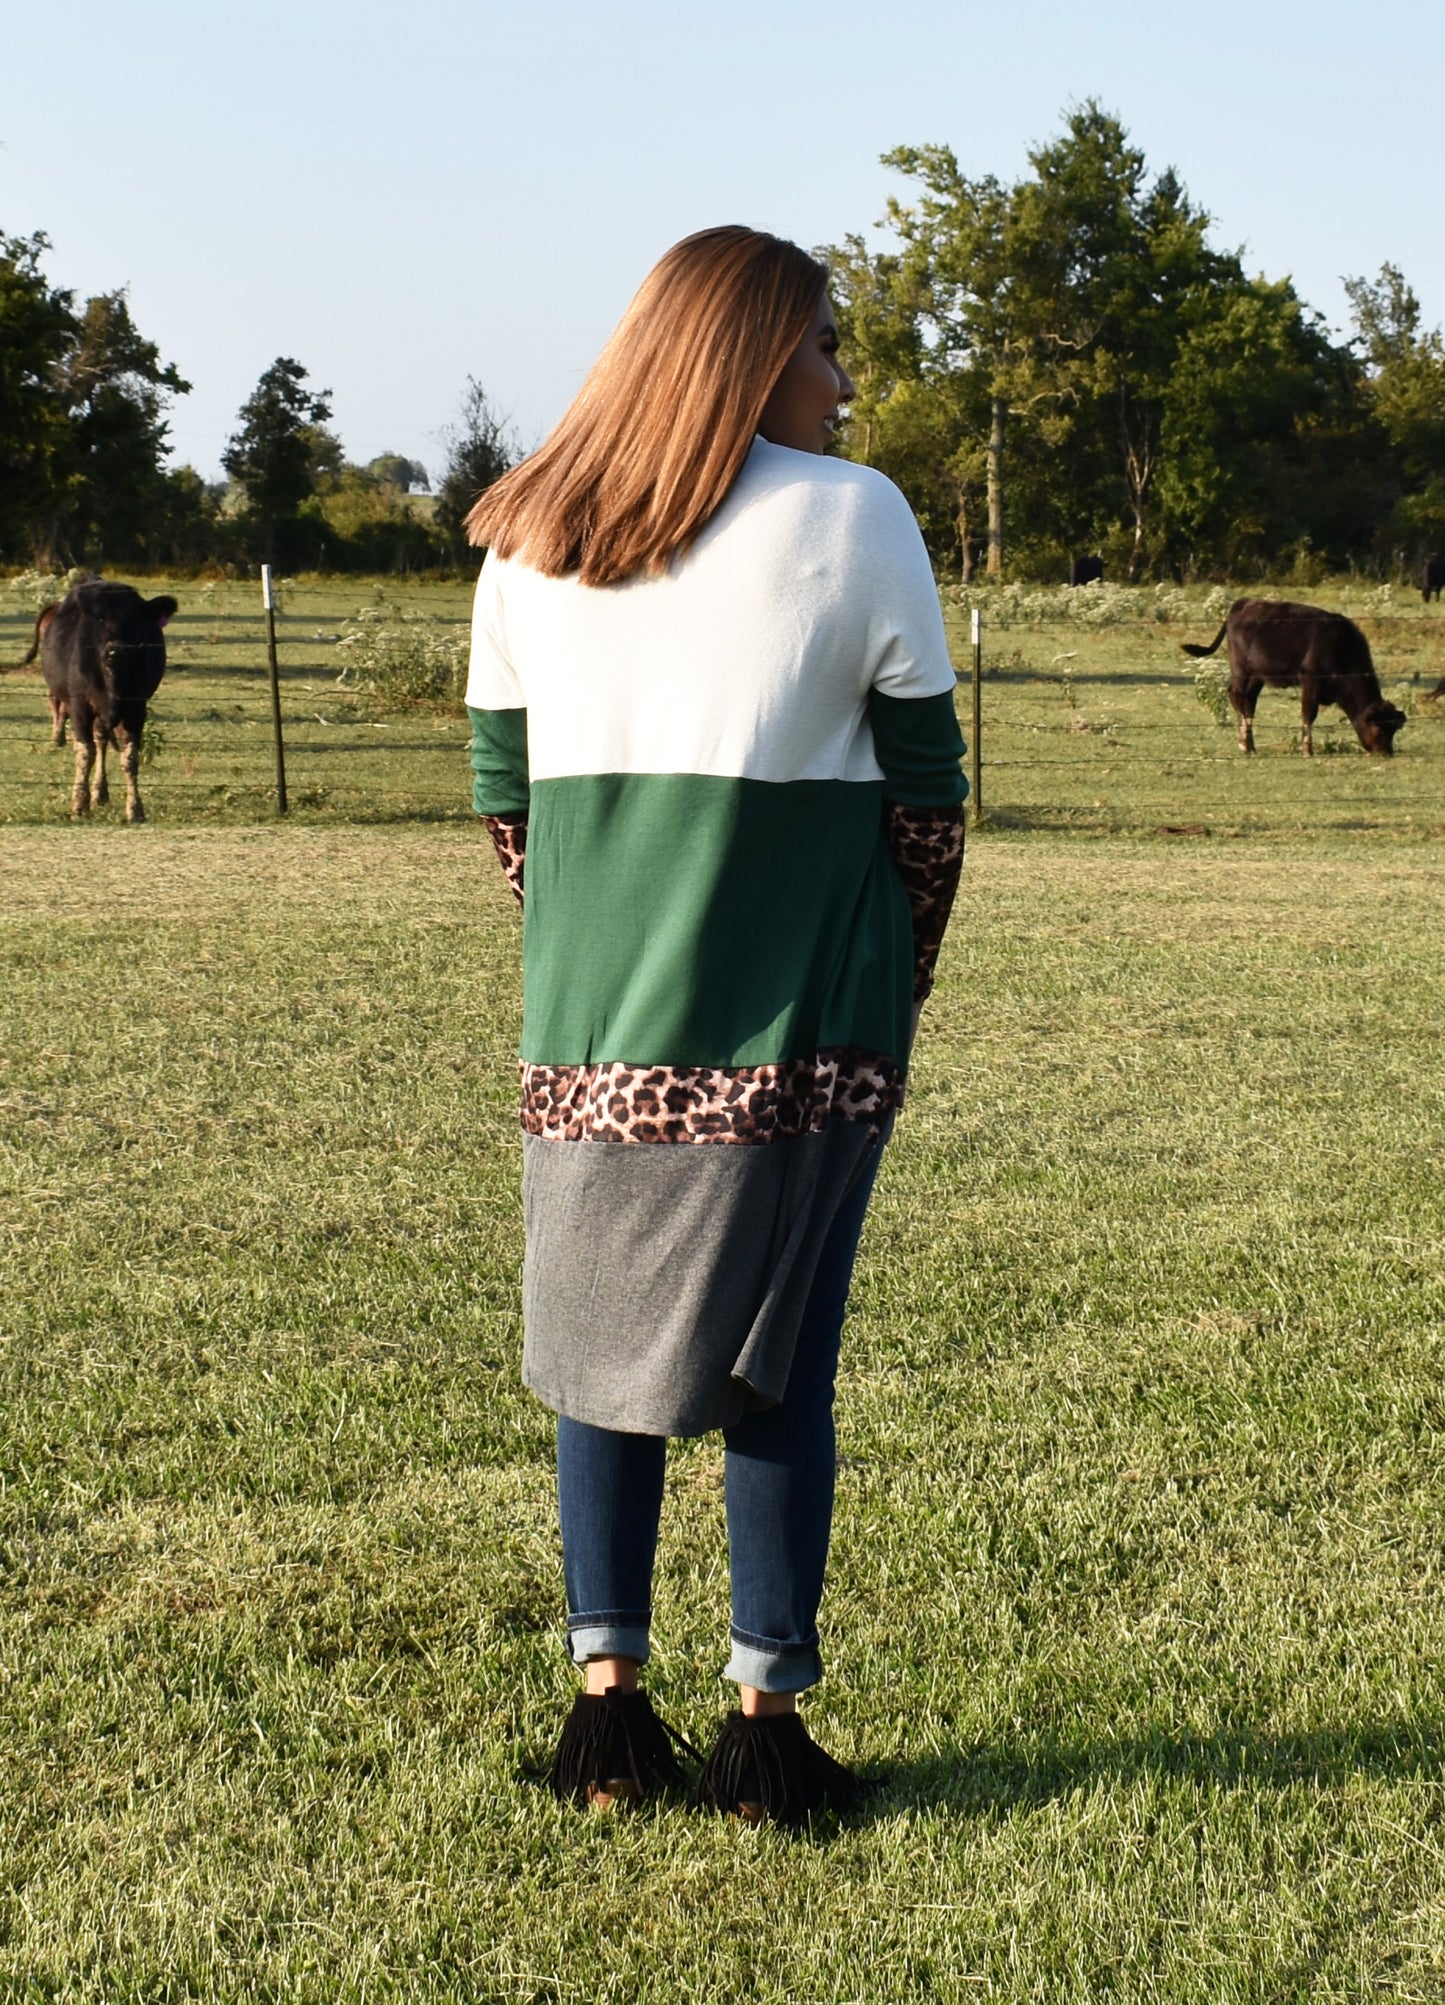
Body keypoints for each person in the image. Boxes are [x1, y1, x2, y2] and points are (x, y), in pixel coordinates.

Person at [464, 226, 967, 1826]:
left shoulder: (523, 534)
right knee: (775, 1363)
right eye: (825, 344)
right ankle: (765, 1725)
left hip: (587, 1029)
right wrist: (900, 980)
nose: (840, 380)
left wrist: (594, 961)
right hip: (802, 1031)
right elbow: (930, 808)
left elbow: (503, 808)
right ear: (754, 355)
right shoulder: (857, 516)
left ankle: (606, 1716)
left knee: (596, 1359)